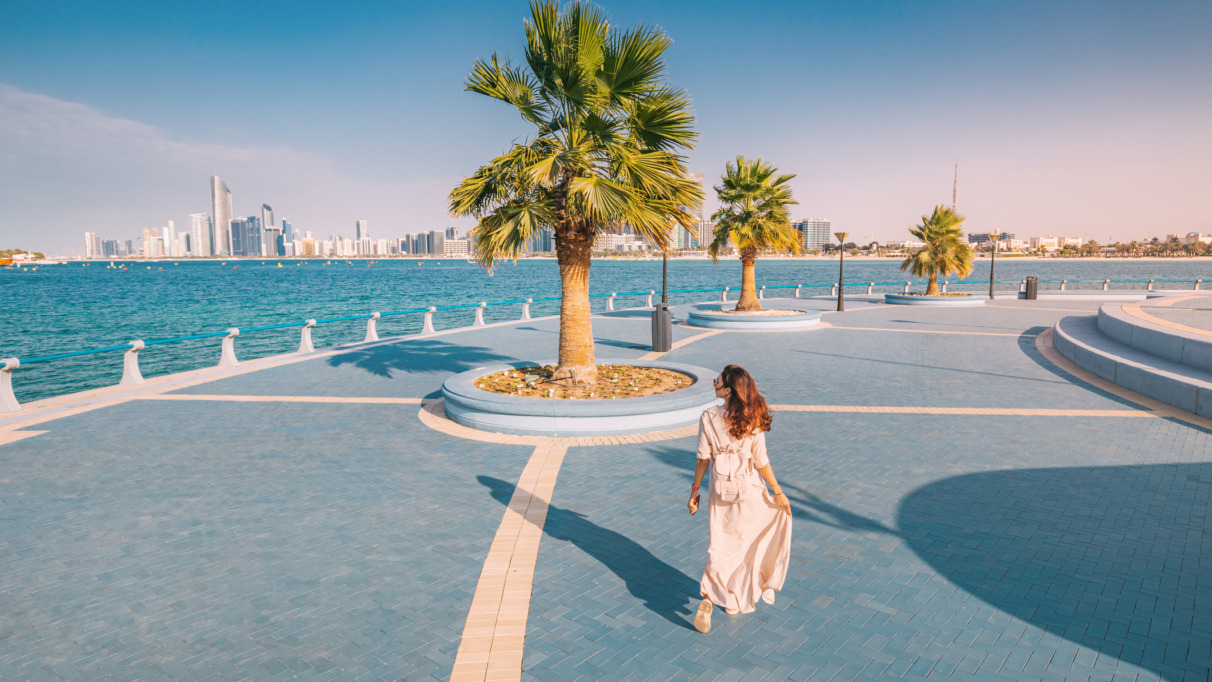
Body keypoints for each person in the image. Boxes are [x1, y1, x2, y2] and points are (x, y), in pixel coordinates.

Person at [689, 364, 792, 634]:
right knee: (745, 544)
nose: (714, 383)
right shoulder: (752, 417)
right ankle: (732, 599)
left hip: (720, 492)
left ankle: (712, 597)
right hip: (749, 490)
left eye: (718, 380)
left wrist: (694, 491)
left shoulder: (708, 417)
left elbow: (703, 459)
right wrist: (778, 492)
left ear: (729, 389)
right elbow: (761, 460)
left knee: (721, 543)